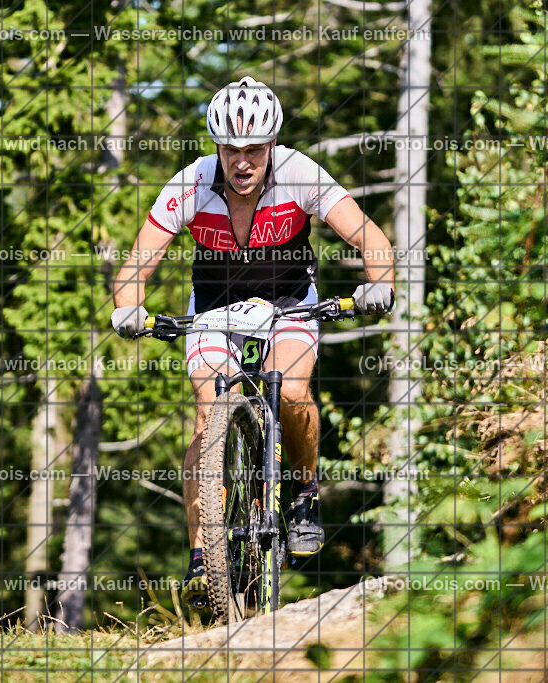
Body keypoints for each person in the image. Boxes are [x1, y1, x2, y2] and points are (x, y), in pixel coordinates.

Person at [110, 76, 396, 612]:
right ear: (217, 146)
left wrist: (380, 282)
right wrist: (129, 306)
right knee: (204, 414)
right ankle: (202, 556)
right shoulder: (191, 184)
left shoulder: (298, 174)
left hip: (291, 303)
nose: (243, 162)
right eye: (232, 150)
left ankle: (305, 496)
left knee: (290, 391)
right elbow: (139, 260)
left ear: (272, 145)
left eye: (255, 150)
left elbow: (368, 234)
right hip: (213, 309)